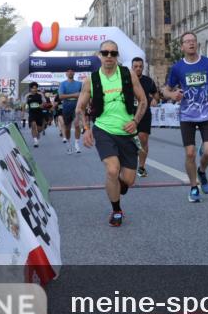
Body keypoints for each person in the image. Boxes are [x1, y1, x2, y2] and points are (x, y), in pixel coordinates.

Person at [76, 40, 147, 227]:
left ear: (117, 56)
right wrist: (86, 129)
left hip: (127, 132)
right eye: (105, 53)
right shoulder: (91, 80)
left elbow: (143, 100)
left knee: (129, 181)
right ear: (99, 55)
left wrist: (135, 121)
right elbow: (80, 107)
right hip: (103, 130)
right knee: (112, 170)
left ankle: (118, 185)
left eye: (113, 53)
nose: (109, 56)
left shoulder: (128, 74)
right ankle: (116, 210)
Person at [162, 31, 208, 203]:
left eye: (193, 41)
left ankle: (202, 171)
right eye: (187, 41)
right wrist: (172, 96)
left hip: (207, 113)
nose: (191, 44)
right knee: (191, 153)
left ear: (197, 44)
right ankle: (193, 187)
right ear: (182, 46)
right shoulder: (177, 68)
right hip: (187, 115)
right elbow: (165, 90)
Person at [131, 56, 159, 177]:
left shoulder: (148, 81)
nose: (138, 69)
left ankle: (141, 167)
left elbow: (156, 93)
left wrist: (154, 99)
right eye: (135, 67)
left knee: (143, 139)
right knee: (129, 141)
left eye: (140, 66)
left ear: (143, 67)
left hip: (144, 114)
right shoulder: (126, 80)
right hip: (128, 114)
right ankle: (129, 164)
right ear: (131, 67)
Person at [58, 69, 83, 154]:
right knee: (67, 128)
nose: (70, 72)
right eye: (68, 71)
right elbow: (61, 96)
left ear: (74, 73)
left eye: (72, 71)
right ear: (66, 73)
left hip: (77, 106)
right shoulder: (63, 84)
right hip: (67, 107)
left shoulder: (79, 84)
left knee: (77, 125)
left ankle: (77, 144)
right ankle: (69, 144)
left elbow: (83, 95)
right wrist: (74, 95)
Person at [25, 82, 45, 147]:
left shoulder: (40, 95)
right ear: (30, 89)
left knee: (40, 129)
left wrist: (42, 105)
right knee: (33, 125)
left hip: (39, 113)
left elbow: (44, 102)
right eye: (33, 88)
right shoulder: (28, 96)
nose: (34, 89)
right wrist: (25, 108)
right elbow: (24, 104)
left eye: (36, 88)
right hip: (31, 113)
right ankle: (35, 141)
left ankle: (38, 133)